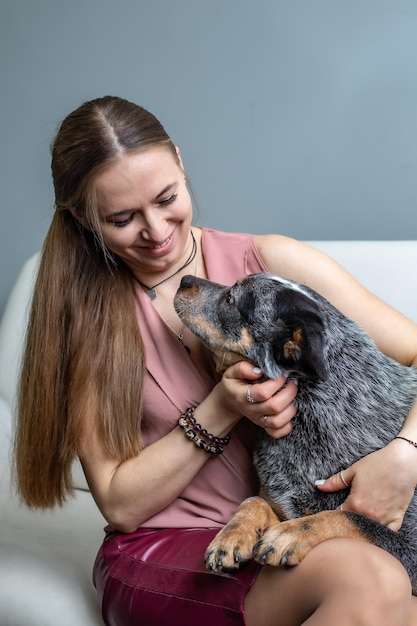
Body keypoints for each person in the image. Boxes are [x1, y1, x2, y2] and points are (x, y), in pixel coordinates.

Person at [14, 95, 417, 626]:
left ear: (181, 163)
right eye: (122, 218)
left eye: (166, 198)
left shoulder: (269, 262)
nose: (156, 231)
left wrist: (405, 453)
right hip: (165, 551)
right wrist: (222, 408)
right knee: (373, 579)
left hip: (288, 532)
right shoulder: (85, 323)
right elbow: (117, 503)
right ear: (83, 219)